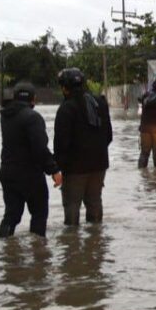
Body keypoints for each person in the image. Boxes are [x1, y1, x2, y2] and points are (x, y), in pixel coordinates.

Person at [0, 83, 62, 237]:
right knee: (39, 213)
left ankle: (5, 250)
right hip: (29, 174)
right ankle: (38, 251)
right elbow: (40, 148)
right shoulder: (33, 118)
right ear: (33, 99)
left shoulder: (5, 115)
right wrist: (53, 170)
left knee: (11, 215)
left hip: (7, 172)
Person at [53, 68, 112, 226]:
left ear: (65, 88)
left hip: (74, 169)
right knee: (94, 203)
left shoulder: (66, 108)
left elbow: (61, 143)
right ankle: (96, 243)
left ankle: (72, 245)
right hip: (99, 165)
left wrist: (57, 168)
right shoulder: (100, 103)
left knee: (72, 207)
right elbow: (108, 136)